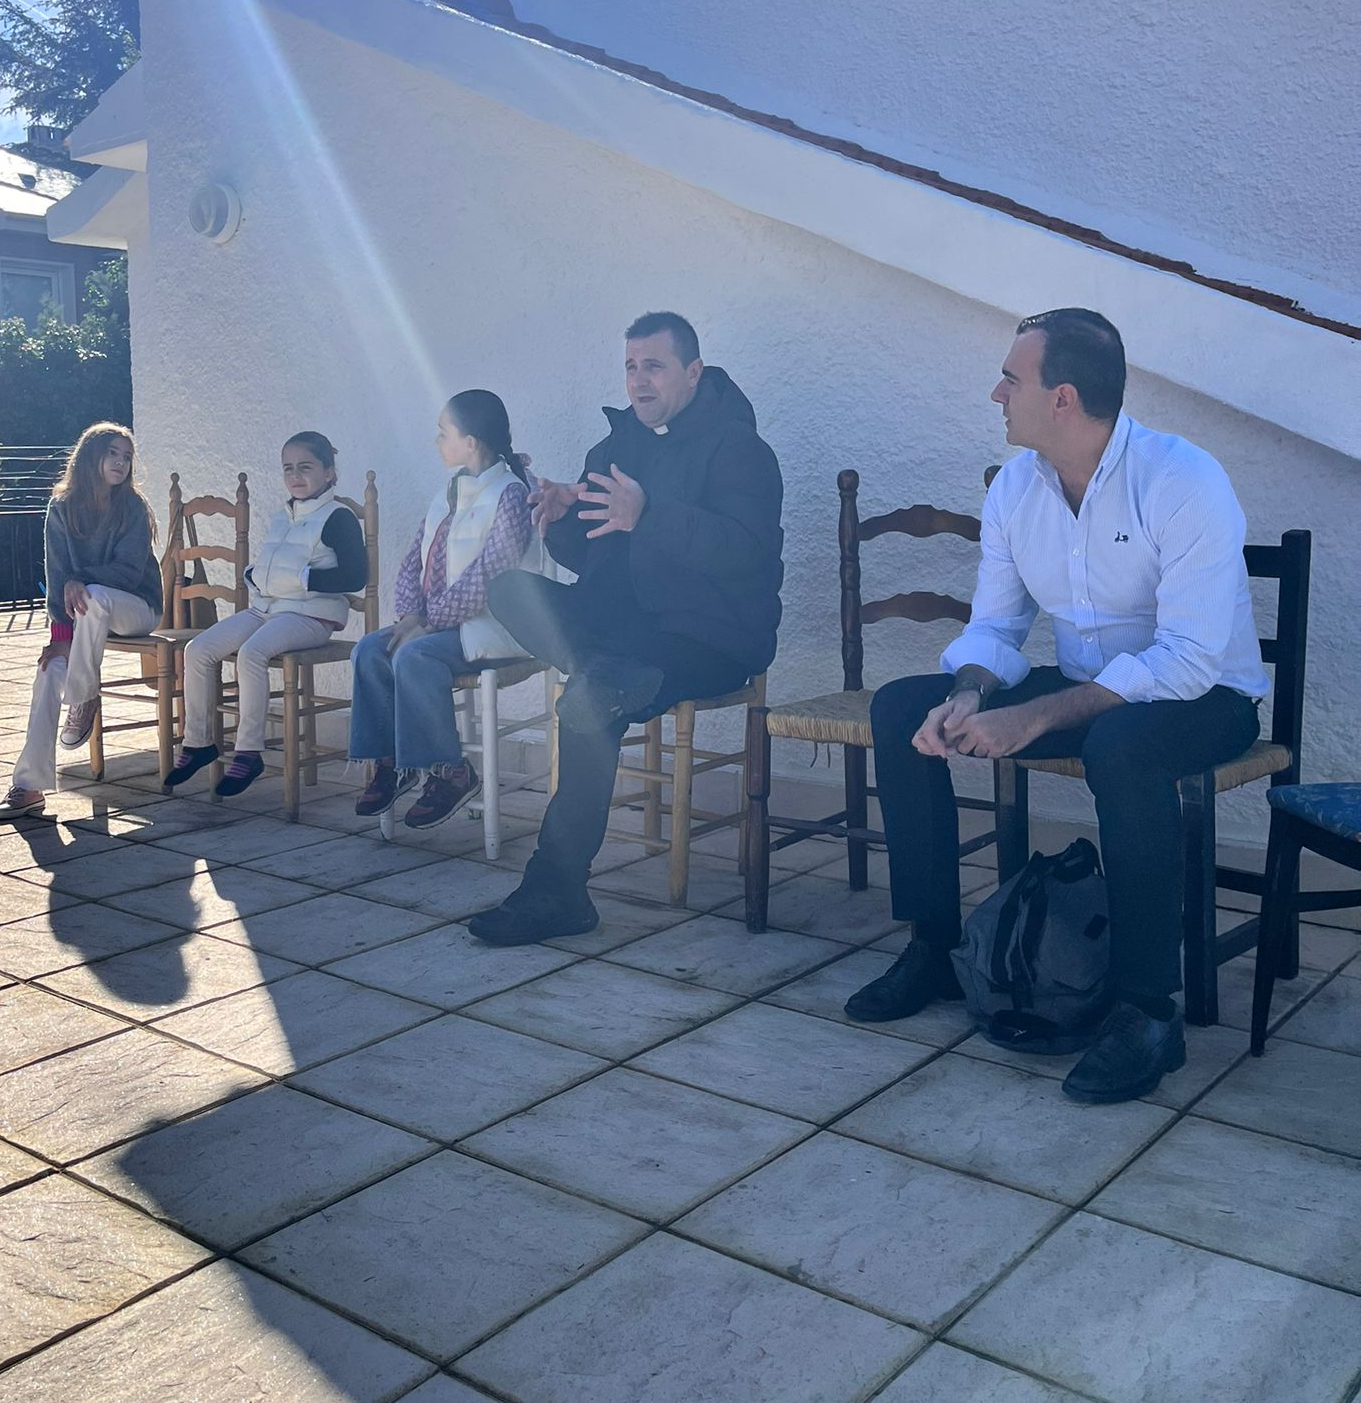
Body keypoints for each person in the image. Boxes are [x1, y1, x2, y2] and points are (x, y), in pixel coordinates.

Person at [849, 307, 1266, 1104]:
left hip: (1207, 697)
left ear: (1063, 398)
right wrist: (969, 694)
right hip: (1092, 690)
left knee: (1122, 746)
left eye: (1011, 379)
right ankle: (934, 948)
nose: (996, 394)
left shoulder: (1183, 481)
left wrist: (1033, 716)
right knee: (904, 707)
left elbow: (1186, 660)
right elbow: (996, 627)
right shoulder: (1015, 488)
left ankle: (1149, 1011)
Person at [468, 312, 784, 946]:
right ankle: (605, 675)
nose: (639, 381)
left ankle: (556, 891)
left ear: (693, 372)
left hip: (705, 636)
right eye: (631, 366)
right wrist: (562, 517)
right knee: (510, 590)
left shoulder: (740, 449)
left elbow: (745, 554)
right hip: (622, 629)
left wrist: (650, 515)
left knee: (591, 698)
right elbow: (593, 559)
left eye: (654, 366)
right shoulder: (614, 448)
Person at [349, 391, 536, 830]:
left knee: (414, 656)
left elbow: (490, 577)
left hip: (494, 626)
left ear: (470, 442)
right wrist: (410, 616)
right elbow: (414, 558)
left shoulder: (511, 495)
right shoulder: (449, 492)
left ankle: (452, 772)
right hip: (441, 625)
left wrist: (429, 623)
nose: (437, 442)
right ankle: (393, 764)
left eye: (443, 433)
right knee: (369, 651)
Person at [164, 431, 368, 798]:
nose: (295, 475)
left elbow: (356, 576)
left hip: (311, 617)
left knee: (251, 654)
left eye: (305, 467)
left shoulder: (338, 517)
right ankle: (198, 743)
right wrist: (255, 576)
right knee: (198, 650)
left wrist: (302, 578)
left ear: (329, 473)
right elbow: (274, 568)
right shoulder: (283, 515)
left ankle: (249, 752)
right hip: (267, 610)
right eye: (288, 468)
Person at [0, 422, 163, 822]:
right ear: (91, 456)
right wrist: (60, 637)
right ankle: (28, 785)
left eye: (126, 457)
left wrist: (80, 579)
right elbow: (57, 577)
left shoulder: (133, 507)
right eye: (112, 454)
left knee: (96, 595)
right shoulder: (61, 507)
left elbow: (128, 572)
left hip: (137, 608)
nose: (120, 463)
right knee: (50, 669)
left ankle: (84, 695)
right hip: (87, 615)